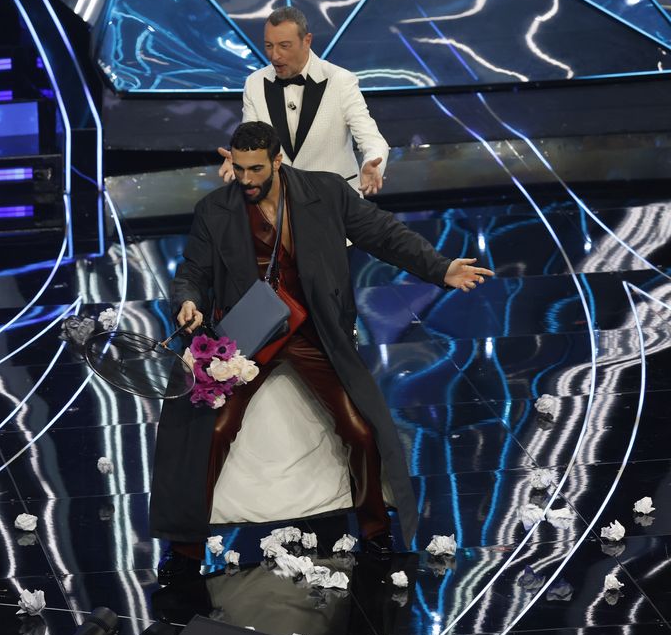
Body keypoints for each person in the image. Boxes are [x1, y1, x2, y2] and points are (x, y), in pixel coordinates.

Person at [151, 122, 493, 581]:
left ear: (277, 161)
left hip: (315, 330)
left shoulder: (326, 192)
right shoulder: (215, 210)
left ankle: (376, 533)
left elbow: (384, 234)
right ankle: (185, 550)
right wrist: (188, 302)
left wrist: (440, 268)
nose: (246, 179)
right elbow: (192, 271)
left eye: (256, 169)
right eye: (240, 168)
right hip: (248, 335)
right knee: (211, 431)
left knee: (360, 430)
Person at [217, 6, 388, 197]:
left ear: (307, 41)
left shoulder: (340, 80)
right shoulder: (254, 83)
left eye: (284, 46)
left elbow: (372, 139)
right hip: (281, 201)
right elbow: (250, 140)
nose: (274, 55)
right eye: (269, 46)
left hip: (336, 199)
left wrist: (371, 163)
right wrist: (239, 158)